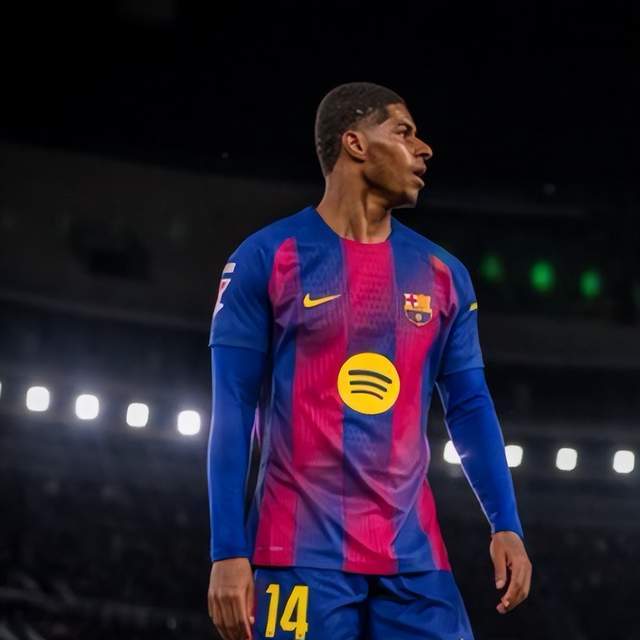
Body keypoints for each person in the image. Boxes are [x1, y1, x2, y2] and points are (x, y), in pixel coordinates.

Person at [206, 81, 532, 640]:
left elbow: (470, 406)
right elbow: (233, 408)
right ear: (355, 143)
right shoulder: (266, 257)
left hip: (414, 559)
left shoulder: (443, 274)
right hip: (298, 554)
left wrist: (507, 523)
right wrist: (228, 550)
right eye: (404, 132)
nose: (424, 149)